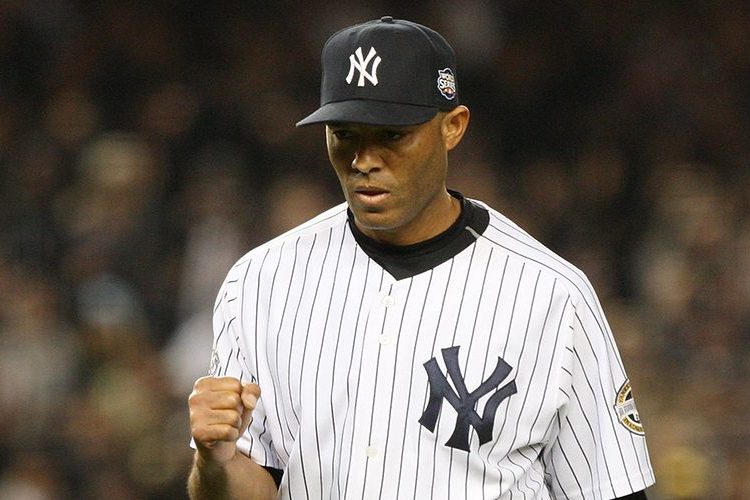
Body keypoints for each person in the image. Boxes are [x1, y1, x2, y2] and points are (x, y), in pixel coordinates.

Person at [187, 16, 655, 499]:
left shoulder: (550, 294)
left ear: (453, 127)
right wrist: (215, 461)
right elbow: (250, 488)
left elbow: (609, 487)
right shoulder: (261, 281)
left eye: (392, 135)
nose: (364, 160)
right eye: (345, 134)